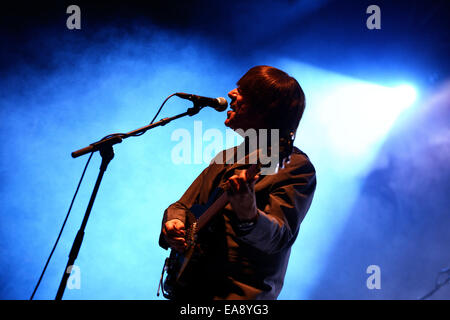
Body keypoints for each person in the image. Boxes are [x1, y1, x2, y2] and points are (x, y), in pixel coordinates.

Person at [159, 65, 316, 300]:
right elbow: (183, 206)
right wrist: (174, 222)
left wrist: (249, 214)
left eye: (242, 90)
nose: (231, 94)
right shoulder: (226, 157)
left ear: (266, 107)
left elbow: (280, 237)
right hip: (190, 290)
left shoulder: (293, 166)